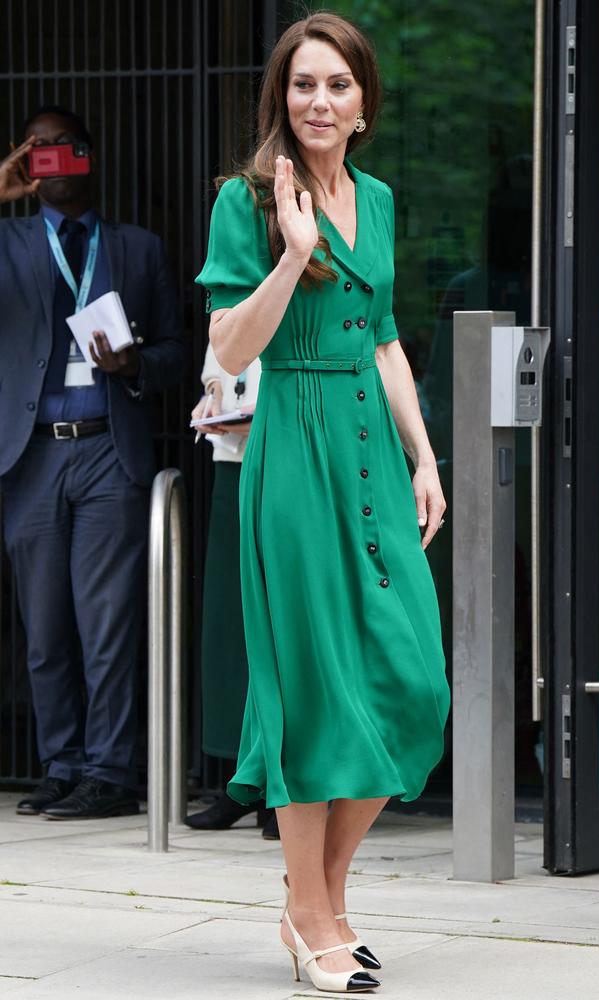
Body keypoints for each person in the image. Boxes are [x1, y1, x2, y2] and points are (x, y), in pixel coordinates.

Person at [195, 12, 450, 993]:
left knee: (412, 678)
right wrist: (291, 255)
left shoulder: (376, 199)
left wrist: (422, 454)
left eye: (335, 85)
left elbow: (382, 336)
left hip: (371, 453)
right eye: (301, 85)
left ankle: (319, 900)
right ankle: (315, 915)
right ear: (281, 96)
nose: (317, 102)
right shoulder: (246, 199)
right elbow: (227, 349)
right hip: (291, 447)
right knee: (309, 687)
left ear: (362, 103)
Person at [0, 106, 184, 820]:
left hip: (109, 446)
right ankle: (61, 762)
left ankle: (111, 770)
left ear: (88, 155)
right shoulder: (10, 240)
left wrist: (138, 362)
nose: (47, 159)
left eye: (60, 148)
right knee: (44, 627)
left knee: (106, 621)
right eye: (34, 150)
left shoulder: (136, 248)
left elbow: (177, 349)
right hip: (31, 454)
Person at [185, 348, 279, 839]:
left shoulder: (296, 274)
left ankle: (284, 788)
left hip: (287, 461)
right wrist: (210, 397)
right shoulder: (228, 283)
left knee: (283, 630)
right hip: (231, 463)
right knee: (233, 626)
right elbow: (218, 364)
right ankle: (244, 783)